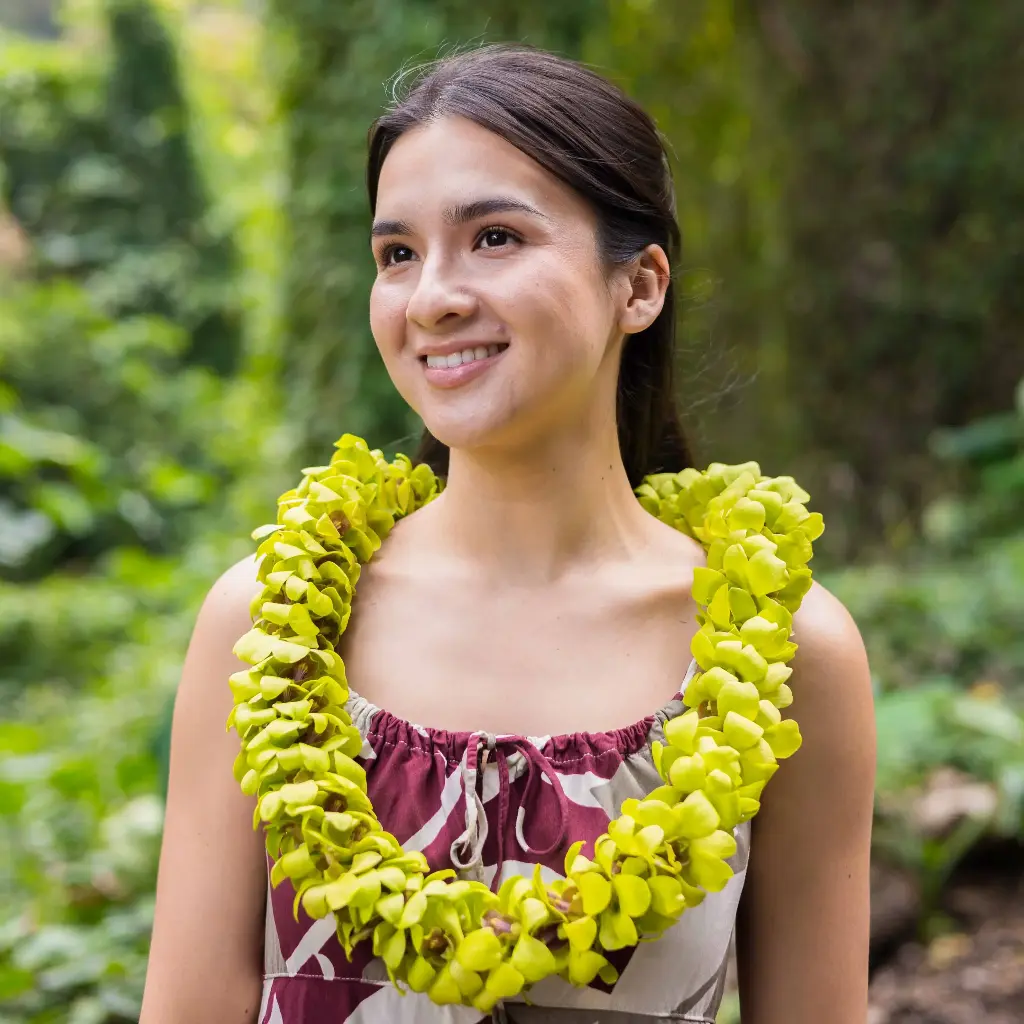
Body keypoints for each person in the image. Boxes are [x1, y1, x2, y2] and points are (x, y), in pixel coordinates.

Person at [141, 44, 875, 1024]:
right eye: (396, 254)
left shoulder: (784, 656)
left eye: (493, 237)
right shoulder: (272, 632)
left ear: (640, 286)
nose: (432, 296)